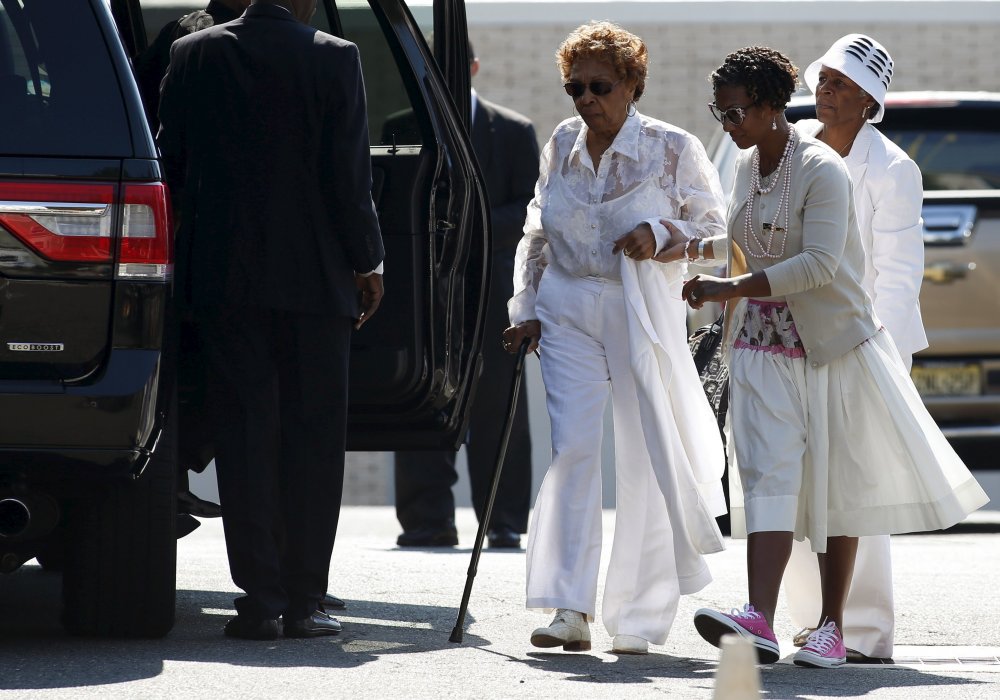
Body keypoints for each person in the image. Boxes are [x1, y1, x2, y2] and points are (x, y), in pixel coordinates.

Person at [680, 46, 988, 668]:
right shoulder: (748, 163)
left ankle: (835, 627)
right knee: (768, 475)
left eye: (735, 109)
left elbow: (837, 267)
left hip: (836, 346)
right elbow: (748, 239)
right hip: (761, 344)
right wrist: (683, 248)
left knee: (834, 487)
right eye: (719, 110)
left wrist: (731, 287)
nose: (726, 122)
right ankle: (759, 618)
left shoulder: (838, 168)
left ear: (768, 106)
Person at [157, 0, 384, 640]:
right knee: (313, 442)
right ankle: (306, 598)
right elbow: (348, 174)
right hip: (315, 279)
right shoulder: (335, 57)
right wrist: (368, 260)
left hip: (225, 279)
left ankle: (259, 600)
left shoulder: (191, 54)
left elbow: (171, 165)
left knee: (245, 437)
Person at [502, 21, 729, 656]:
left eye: (598, 86)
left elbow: (714, 231)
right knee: (573, 448)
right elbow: (537, 233)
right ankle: (567, 607)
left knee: (642, 457)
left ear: (633, 83)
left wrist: (659, 234)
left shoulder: (673, 147)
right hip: (568, 304)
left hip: (640, 307)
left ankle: (637, 616)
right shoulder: (563, 142)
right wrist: (527, 306)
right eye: (573, 87)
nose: (584, 99)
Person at [782, 34, 926, 662]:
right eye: (824, 79)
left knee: (858, 491)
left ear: (870, 101)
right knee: (795, 484)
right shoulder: (797, 150)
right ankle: (809, 621)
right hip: (795, 340)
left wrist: (878, 357)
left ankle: (864, 631)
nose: (825, 91)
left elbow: (898, 274)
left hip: (868, 343)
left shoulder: (895, 168)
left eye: (840, 83)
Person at [391, 45, 539, 550]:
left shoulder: (514, 130)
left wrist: (461, 230)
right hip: (423, 293)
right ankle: (425, 519)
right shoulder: (400, 126)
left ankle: (503, 520)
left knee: (500, 403)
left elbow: (530, 210)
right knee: (420, 394)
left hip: (493, 292)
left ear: (474, 66)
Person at [134, 1, 255, 527]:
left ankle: (174, 476)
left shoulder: (188, 38)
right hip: (208, 229)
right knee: (202, 362)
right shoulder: (197, 38)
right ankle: (174, 475)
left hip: (196, 224)